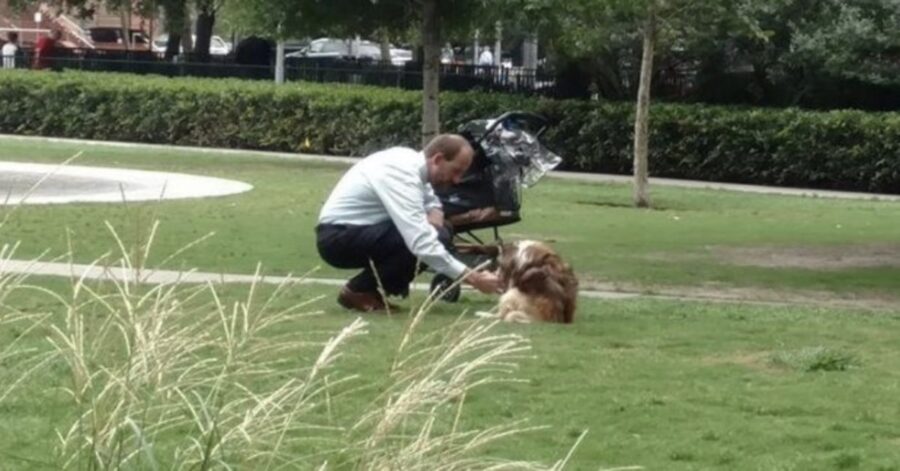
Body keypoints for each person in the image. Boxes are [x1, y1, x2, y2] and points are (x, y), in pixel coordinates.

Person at [316, 134, 502, 312]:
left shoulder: (410, 162)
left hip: (355, 231)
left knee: (441, 232)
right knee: (431, 238)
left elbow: (431, 199)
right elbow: (421, 243)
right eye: (456, 171)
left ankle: (372, 290)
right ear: (437, 159)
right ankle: (359, 291)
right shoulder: (401, 175)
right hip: (337, 238)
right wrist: (474, 278)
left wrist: (435, 212)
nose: (457, 180)